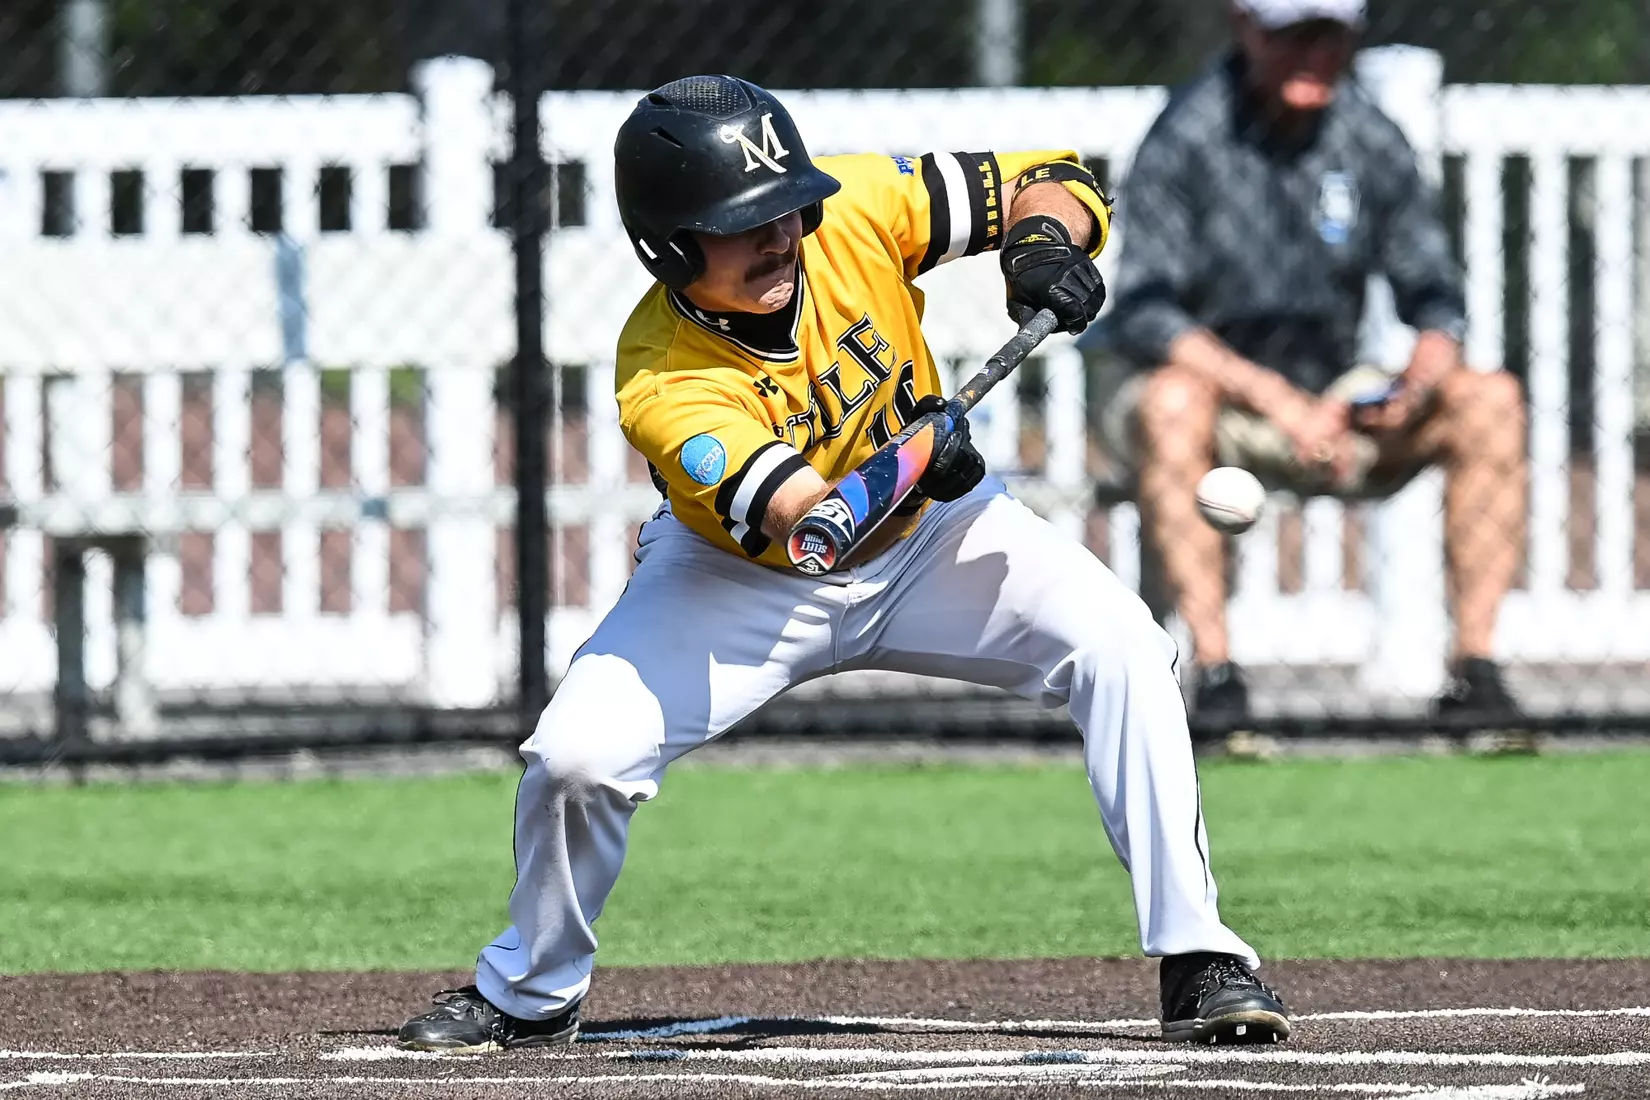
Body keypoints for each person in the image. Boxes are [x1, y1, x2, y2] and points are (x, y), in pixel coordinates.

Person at [397, 74, 1289, 1052]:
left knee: (1125, 645)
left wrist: (1040, 244)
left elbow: (1050, 178)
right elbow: (809, 525)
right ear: (669, 245)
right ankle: (532, 986)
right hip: (742, 580)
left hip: (937, 538)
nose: (779, 236)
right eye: (742, 224)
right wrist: (909, 465)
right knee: (575, 757)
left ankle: (1201, 955)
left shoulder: (850, 212)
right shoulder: (663, 376)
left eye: (785, 208)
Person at [1099, 0, 1529, 724]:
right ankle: (1217, 678)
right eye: (1293, 36)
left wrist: (1410, 385)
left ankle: (1475, 675)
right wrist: (1276, 400)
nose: (1313, 56)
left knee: (1489, 398)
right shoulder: (1186, 135)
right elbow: (1148, 312)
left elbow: (1435, 299)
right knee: (1173, 401)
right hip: (1212, 390)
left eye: (1329, 37)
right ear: (1246, 30)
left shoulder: (1368, 134)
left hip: (1333, 391)